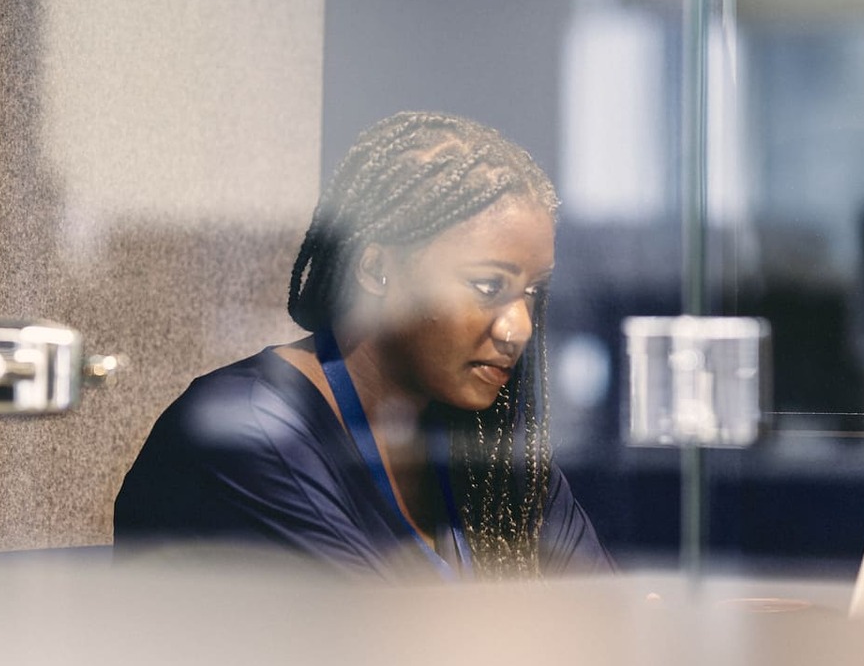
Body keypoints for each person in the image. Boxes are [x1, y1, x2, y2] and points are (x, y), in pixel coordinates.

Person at [114, 111, 612, 581]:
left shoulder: (491, 448)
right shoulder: (252, 428)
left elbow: (606, 625)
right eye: (488, 286)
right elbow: (388, 653)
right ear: (377, 269)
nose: (519, 327)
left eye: (533, 293)